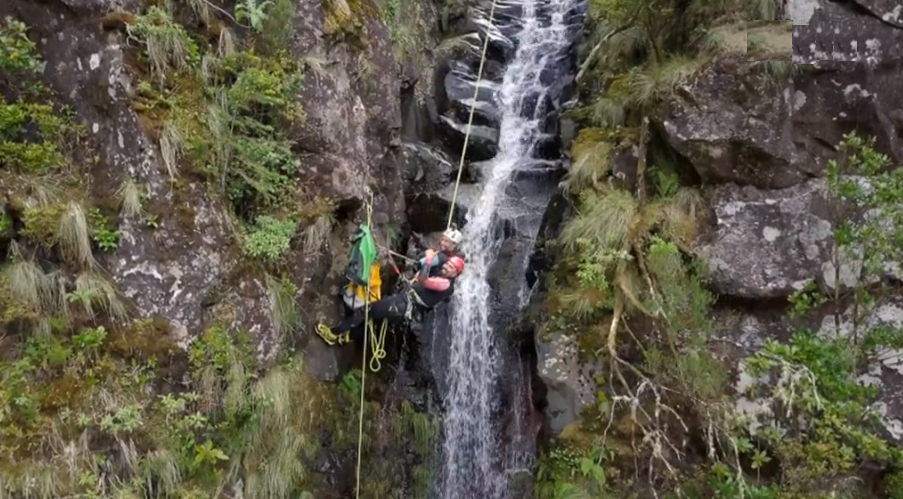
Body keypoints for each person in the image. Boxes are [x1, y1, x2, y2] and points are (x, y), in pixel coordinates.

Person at [317, 254, 465, 345]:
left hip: (402, 305)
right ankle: (348, 337)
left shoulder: (445, 284)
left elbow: (424, 280)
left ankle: (333, 334)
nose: (446, 266)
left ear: (456, 274)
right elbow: (438, 258)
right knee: (372, 316)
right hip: (402, 301)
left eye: (451, 267)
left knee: (366, 310)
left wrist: (428, 260)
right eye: (447, 264)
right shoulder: (443, 272)